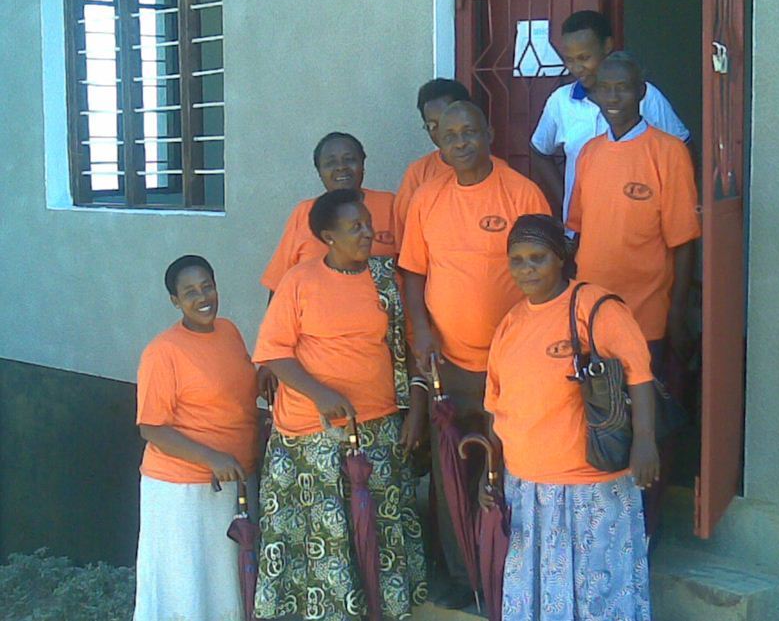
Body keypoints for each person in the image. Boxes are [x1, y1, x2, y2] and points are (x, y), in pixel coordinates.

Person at [398, 100, 550, 608]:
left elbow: (547, 270)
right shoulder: (427, 199)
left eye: (469, 132)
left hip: (513, 364)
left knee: (511, 468)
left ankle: (509, 572)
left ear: (489, 133)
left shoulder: (521, 192)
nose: (460, 142)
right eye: (450, 135)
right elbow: (413, 272)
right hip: (450, 365)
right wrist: (421, 331)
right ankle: (464, 575)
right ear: (438, 144)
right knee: (452, 475)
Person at [252, 189, 427, 620]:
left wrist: (417, 407)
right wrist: (321, 394)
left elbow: (408, 348)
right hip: (312, 434)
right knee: (325, 537)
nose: (368, 233)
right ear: (328, 236)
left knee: (376, 533)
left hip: (378, 428)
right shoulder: (299, 281)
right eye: (355, 227)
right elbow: (274, 353)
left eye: (368, 224)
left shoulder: (385, 281)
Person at [482, 215, 656, 620]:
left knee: (598, 595)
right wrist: (489, 475)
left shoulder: (594, 307)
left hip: (590, 485)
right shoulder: (510, 324)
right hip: (527, 489)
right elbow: (496, 407)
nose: (527, 269)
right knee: (541, 595)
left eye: (538, 258)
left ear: (561, 257)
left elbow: (639, 375)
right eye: (517, 260)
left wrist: (646, 440)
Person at [567, 51, 701, 537]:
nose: (614, 97)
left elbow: (683, 243)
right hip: (592, 318)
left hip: (646, 316)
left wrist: (678, 312)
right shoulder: (590, 153)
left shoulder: (668, 152)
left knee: (649, 428)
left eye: (623, 87)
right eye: (605, 88)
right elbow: (579, 233)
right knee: (602, 425)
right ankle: (606, 530)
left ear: (642, 92)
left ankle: (645, 533)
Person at [133, 255, 273, 621]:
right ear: (175, 301)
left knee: (225, 584)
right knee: (187, 586)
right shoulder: (163, 351)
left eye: (207, 287)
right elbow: (152, 428)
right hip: (182, 491)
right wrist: (212, 458)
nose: (203, 298)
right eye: (190, 292)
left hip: (234, 482)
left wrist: (265, 378)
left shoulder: (228, 331)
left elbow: (236, 390)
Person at [531, 10, 690, 221]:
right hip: (582, 229)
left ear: (607, 46)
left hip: (640, 228)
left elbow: (684, 149)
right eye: (569, 60)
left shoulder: (645, 95)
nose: (576, 68)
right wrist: (567, 202)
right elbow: (539, 151)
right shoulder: (560, 101)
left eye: (584, 58)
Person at [261, 132, 397, 296]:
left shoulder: (390, 205)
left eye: (349, 159)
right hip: (316, 310)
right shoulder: (304, 213)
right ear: (319, 172)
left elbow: (412, 269)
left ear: (363, 165)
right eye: (330, 163)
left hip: (379, 310)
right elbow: (279, 285)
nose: (341, 167)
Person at [392, 78, 472, 248]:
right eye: (432, 125)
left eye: (446, 121)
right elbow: (405, 237)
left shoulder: (498, 172)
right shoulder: (418, 173)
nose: (441, 131)